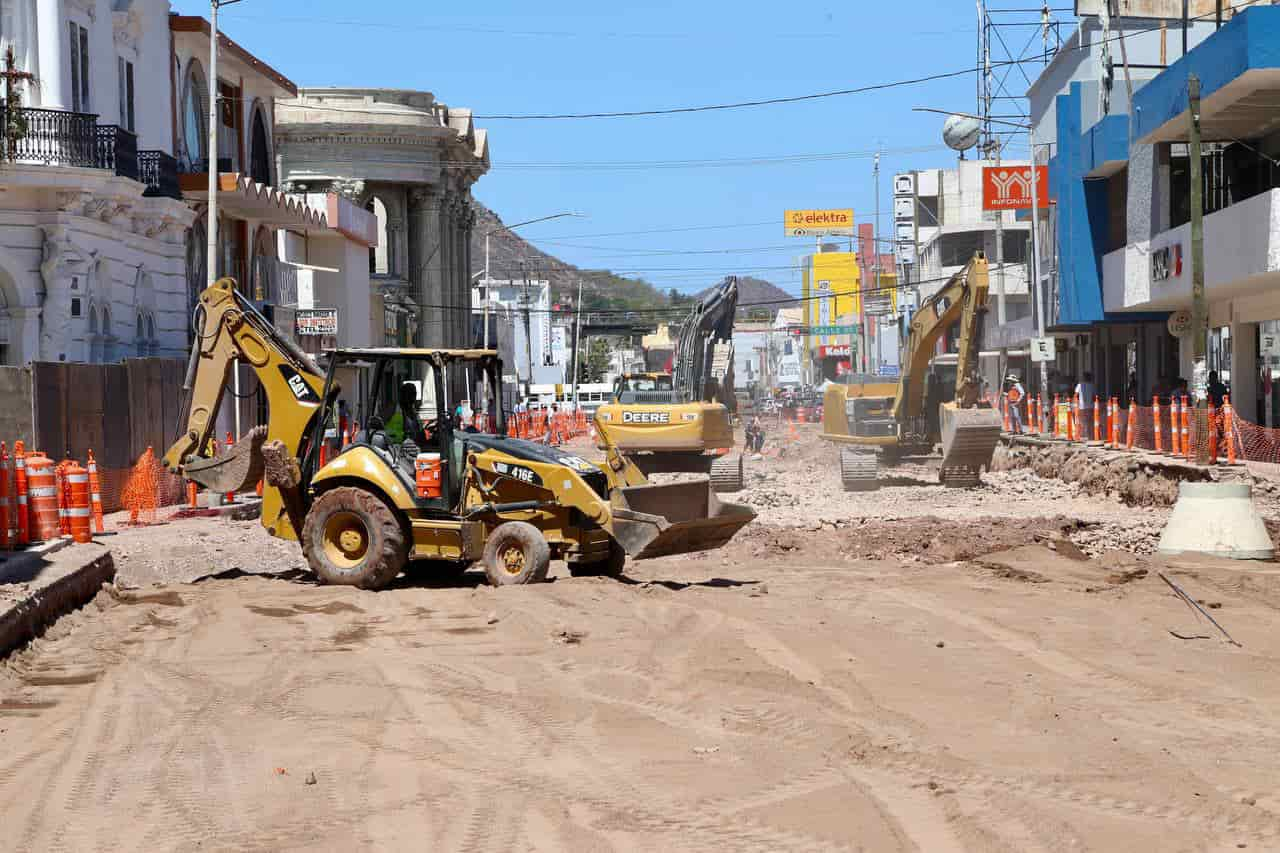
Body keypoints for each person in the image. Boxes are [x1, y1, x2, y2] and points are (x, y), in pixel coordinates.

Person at [385, 381, 428, 447]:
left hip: (412, 448)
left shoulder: (414, 413)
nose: (412, 397)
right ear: (402, 395)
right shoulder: (393, 409)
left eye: (414, 394)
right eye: (409, 394)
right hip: (394, 448)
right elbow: (380, 424)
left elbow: (420, 433)